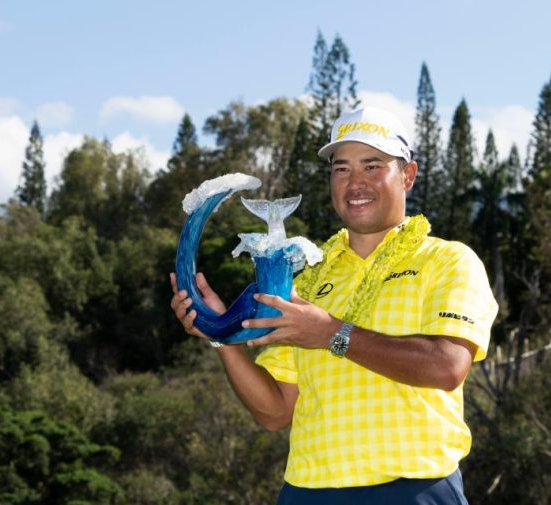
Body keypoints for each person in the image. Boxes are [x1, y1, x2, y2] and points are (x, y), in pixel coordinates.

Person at [170, 106, 498, 504]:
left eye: (372, 165)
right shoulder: (305, 276)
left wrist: (330, 334)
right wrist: (221, 337)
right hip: (309, 493)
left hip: (415, 490)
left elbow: (446, 367)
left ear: (407, 175)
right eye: (342, 169)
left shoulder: (448, 260)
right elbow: (275, 412)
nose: (355, 183)